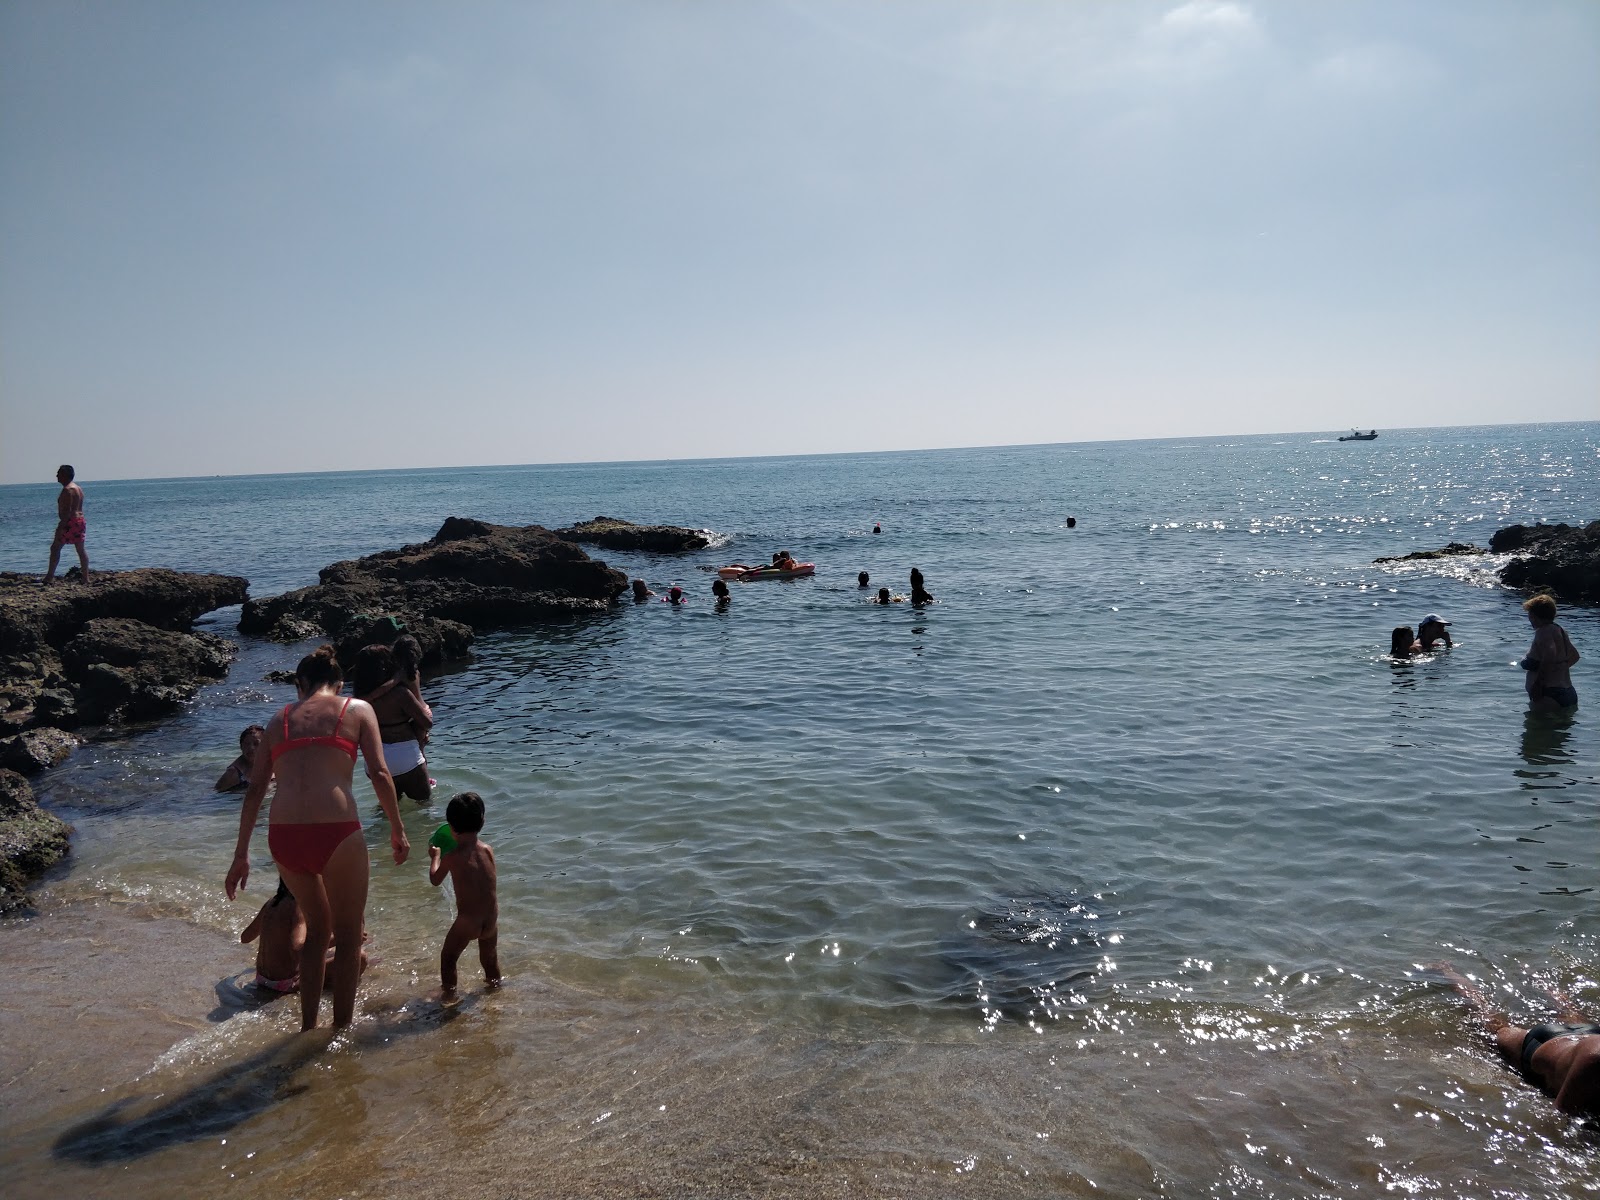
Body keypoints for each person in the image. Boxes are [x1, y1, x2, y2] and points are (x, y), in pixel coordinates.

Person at [225, 645, 408, 1031]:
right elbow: (379, 773)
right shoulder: (356, 709)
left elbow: (256, 789)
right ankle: (339, 1031)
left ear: (301, 684)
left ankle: (308, 1027)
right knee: (346, 935)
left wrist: (241, 854)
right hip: (336, 830)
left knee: (316, 935)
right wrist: (397, 828)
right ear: (339, 683)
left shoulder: (279, 719)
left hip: (284, 837)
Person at [1437, 964, 1600, 1116]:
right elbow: (1562, 1115)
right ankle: (1448, 973)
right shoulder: (1594, 1062)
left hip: (1587, 1036)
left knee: (1568, 1009)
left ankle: (1534, 975)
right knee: (1488, 1020)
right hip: (1541, 1043)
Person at [240, 876, 369, 994]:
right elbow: (297, 949)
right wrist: (342, 938)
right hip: (286, 984)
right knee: (360, 957)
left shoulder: (272, 902)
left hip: (262, 979)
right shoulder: (299, 906)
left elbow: (245, 938)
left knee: (334, 951)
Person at [428, 791, 500, 998]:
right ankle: (495, 992)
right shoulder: (488, 850)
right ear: (482, 821)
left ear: (451, 827)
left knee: (448, 958)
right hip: (491, 920)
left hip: (468, 922)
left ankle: (449, 997)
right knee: (490, 960)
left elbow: (435, 879)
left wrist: (436, 857)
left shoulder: (452, 857)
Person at [350, 644, 433, 802]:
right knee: (424, 807)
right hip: (406, 758)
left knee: (387, 812)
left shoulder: (358, 700)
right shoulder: (400, 694)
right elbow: (427, 722)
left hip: (375, 763)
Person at [1520, 594, 1579, 711]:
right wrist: (1558, 669)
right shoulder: (1560, 630)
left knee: (1537, 728)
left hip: (1548, 694)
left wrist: (1538, 684)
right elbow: (1575, 656)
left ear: (1534, 616)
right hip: (1569, 692)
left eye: (1529, 614)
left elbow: (1550, 654)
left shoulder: (1543, 632)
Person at [44, 465, 89, 585]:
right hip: (80, 520)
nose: (57, 476)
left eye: (59, 473)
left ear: (65, 475)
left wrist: (61, 527)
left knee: (55, 548)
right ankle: (85, 578)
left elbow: (67, 511)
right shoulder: (78, 488)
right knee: (80, 549)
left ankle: (49, 577)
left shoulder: (68, 490)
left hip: (69, 521)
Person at [215, 724, 266, 792]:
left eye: (256, 743)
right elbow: (216, 795)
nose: (251, 748)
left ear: (266, 746)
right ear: (241, 747)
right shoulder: (233, 773)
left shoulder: (276, 765)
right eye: (246, 744)